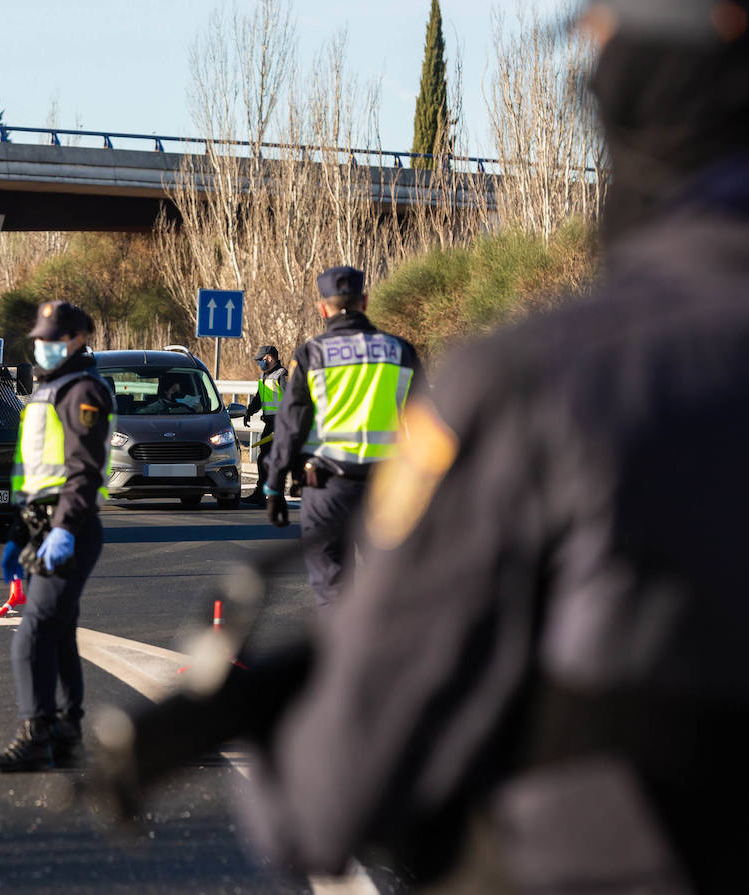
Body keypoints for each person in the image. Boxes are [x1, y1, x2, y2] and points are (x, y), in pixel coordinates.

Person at [103, 2, 749, 890]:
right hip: (378, 493)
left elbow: (337, 788)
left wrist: (270, 713)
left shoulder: (547, 383)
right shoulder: (411, 351)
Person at [0, 300, 113, 772]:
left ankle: (35, 734)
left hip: (68, 526)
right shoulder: (45, 390)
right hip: (42, 523)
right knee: (57, 633)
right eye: (40, 337)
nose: (44, 346)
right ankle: (65, 734)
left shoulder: (82, 391)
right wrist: (19, 531)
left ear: (78, 340)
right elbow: (33, 470)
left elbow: (84, 471)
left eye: (54, 339)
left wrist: (62, 530)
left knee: (32, 635)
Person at [262, 267, 426, 610]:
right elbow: (426, 427)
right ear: (365, 301)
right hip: (387, 491)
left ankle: (341, 659)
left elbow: (291, 425)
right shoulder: (402, 352)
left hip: (325, 489)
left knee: (332, 590)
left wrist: (275, 485)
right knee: (391, 591)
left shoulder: (311, 354)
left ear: (324, 309)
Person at [241, 345, 288, 507]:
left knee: (269, 459)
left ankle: (270, 495)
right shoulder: (265, 376)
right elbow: (260, 398)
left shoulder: (282, 375)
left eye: (260, 360)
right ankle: (265, 494)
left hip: (280, 423)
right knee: (266, 459)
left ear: (269, 358)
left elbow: (290, 399)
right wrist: (249, 412)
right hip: (270, 423)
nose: (258, 363)